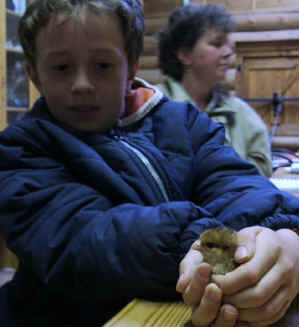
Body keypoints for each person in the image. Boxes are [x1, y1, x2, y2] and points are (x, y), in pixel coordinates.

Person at [0, 0, 298, 326]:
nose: (82, 83)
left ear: (131, 67)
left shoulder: (184, 121)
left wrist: (282, 237)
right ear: (34, 74)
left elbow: (236, 185)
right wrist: (216, 244)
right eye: (61, 67)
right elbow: (83, 241)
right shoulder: (21, 150)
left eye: (102, 65)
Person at [157, 4, 272, 177]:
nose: (229, 53)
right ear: (185, 55)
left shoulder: (239, 112)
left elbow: (262, 171)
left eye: (228, 44)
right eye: (217, 44)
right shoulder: (154, 105)